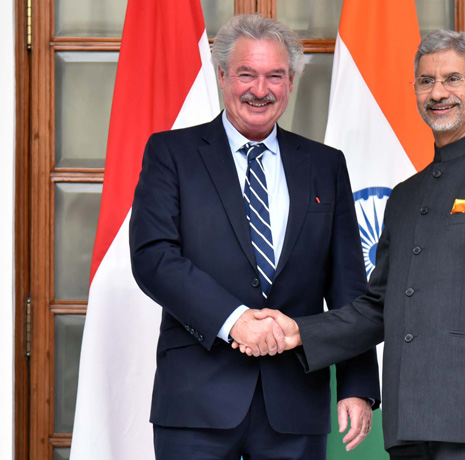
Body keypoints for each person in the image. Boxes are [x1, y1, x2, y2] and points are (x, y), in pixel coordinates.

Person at [245, 30, 465, 460]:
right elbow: (379, 306)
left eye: (453, 79)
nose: (438, 93)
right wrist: (299, 331)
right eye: (427, 81)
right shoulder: (406, 196)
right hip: (408, 423)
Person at [128, 14, 381, 460]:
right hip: (196, 404)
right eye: (247, 74)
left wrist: (358, 385)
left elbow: (348, 287)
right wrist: (235, 320)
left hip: (295, 403)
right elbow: (154, 258)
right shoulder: (171, 154)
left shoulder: (326, 165)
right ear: (223, 75)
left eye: (275, 76)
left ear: (291, 81)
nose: (260, 90)